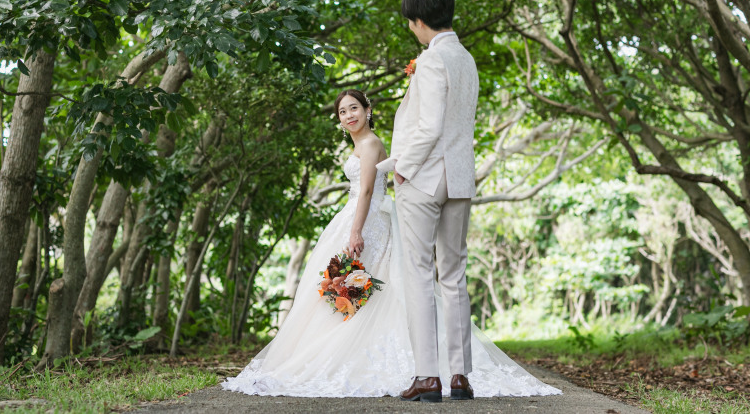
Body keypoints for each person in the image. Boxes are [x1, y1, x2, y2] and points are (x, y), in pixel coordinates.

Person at [221, 88, 561, 399]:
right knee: (350, 286)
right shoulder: (359, 144)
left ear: (368, 110)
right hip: (358, 214)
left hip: (367, 219)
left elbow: (367, 190)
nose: (349, 115)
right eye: (342, 112)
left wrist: (355, 232)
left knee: (367, 285)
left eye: (354, 108)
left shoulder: (370, 144)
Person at [376, 0, 482, 401]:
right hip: (459, 176)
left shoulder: (433, 60)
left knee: (420, 273)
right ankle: (460, 376)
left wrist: (402, 168)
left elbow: (429, 126)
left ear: (419, 21)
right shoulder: (467, 58)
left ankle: (427, 376)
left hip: (424, 177)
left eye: (410, 23)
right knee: (454, 275)